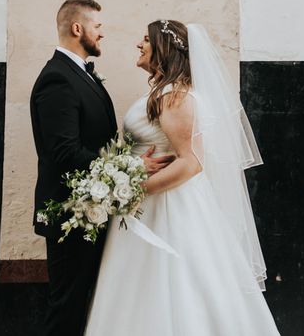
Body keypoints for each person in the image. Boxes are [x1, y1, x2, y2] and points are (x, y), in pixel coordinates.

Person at [84, 20, 280, 335]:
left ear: (163, 49)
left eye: (146, 39)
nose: (139, 44)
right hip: (149, 207)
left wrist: (134, 188)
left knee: (176, 285)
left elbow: (190, 162)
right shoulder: (165, 92)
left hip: (170, 208)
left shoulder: (175, 97)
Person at [29, 0, 172, 336]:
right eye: (97, 26)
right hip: (71, 213)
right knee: (67, 309)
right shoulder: (57, 79)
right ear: (78, 29)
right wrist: (131, 166)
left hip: (95, 211)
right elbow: (64, 153)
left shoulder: (81, 76)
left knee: (83, 307)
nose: (102, 34)